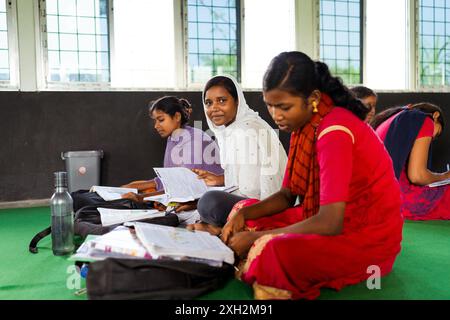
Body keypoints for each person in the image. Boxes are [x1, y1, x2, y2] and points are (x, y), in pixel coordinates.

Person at [218, 51, 403, 300]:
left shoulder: (334, 130)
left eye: (284, 107)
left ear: (313, 98)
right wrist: (243, 215)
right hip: (323, 216)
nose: (276, 115)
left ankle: (258, 263)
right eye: (269, 105)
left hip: (365, 235)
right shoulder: (304, 125)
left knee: (274, 250)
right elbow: (286, 195)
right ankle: (252, 254)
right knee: (245, 209)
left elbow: (330, 222)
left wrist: (256, 238)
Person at [187, 75, 288, 234]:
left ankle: (219, 227)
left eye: (222, 100)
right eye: (209, 103)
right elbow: (248, 178)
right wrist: (220, 179)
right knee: (204, 199)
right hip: (248, 203)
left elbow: (259, 189)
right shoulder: (229, 130)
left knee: (209, 202)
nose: (214, 108)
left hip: (264, 207)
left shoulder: (248, 129)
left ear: (237, 101)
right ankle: (215, 226)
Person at [121, 96, 224, 210]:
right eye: (155, 121)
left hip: (207, 200)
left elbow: (183, 188)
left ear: (177, 116)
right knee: (133, 186)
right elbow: (169, 179)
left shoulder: (193, 140)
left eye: (161, 120)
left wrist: (141, 197)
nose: (156, 126)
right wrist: (130, 187)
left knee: (138, 200)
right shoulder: (174, 137)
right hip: (185, 192)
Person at [372, 103, 450, 220]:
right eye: (436, 133)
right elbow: (418, 176)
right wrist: (445, 176)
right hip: (400, 200)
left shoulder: (393, 117)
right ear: (436, 116)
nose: (432, 138)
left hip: (376, 198)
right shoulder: (425, 120)